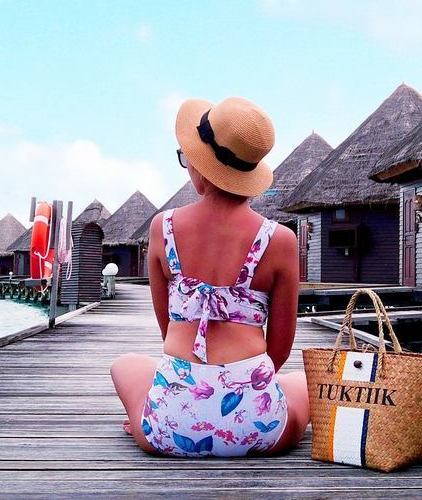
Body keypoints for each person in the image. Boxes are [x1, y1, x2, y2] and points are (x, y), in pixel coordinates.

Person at [110, 97, 309, 456]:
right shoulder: (280, 240)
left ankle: (145, 418)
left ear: (201, 168)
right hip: (259, 428)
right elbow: (279, 349)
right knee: (303, 382)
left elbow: (167, 328)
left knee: (125, 365)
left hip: (171, 424)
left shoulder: (163, 228)